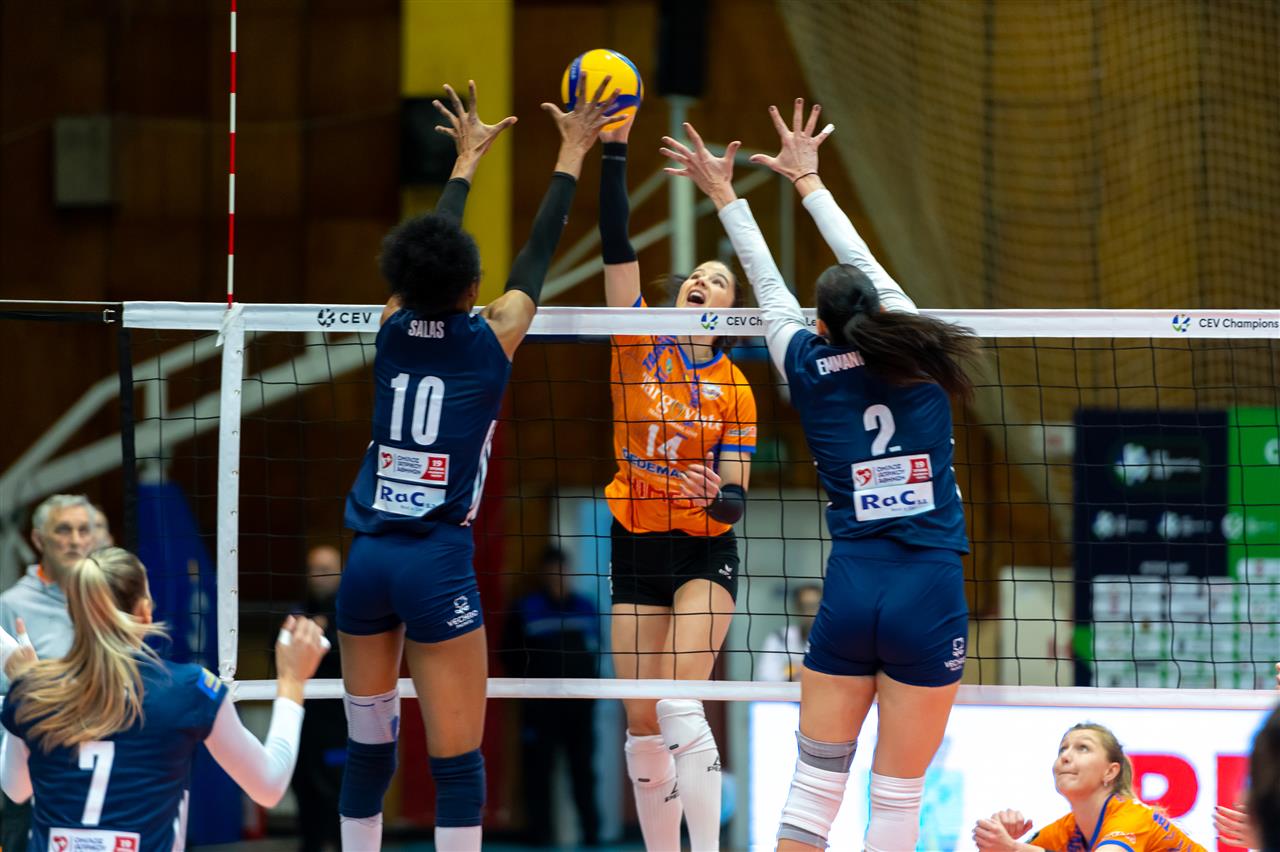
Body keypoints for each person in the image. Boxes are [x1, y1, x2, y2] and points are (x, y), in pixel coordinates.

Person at [661, 99, 979, 851]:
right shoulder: (921, 349)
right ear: (877, 309)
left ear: (822, 325)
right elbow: (861, 260)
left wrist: (724, 193)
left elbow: (767, 283)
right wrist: (809, 181)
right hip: (929, 587)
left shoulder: (805, 364)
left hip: (852, 587)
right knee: (896, 799)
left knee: (813, 790)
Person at [336, 77, 617, 852]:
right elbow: (538, 252)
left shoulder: (391, 326)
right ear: (471, 288)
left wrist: (463, 163)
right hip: (436, 563)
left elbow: (424, 264)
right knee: (458, 764)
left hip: (368, 561)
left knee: (367, 753)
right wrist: (572, 150)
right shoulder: (494, 335)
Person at [595, 111, 758, 852]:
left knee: (678, 702)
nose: (701, 281)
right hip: (635, 540)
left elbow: (736, 499)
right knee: (640, 721)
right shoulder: (636, 340)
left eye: (716, 280)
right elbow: (617, 244)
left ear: (730, 313)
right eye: (696, 276)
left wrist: (715, 500)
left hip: (701, 550)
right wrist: (613, 152)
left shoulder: (736, 390)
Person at [0, 547, 327, 852]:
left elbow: (16, 789)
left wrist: (26, 684)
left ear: (73, 614)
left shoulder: (34, 690)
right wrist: (292, 681)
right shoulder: (189, 689)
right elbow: (268, 787)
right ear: (144, 611)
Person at [0, 494, 95, 852]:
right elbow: (4, 698)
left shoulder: (104, 598)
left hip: (99, 763)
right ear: (39, 539)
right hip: (35, 773)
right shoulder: (12, 605)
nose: (75, 540)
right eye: (63, 530)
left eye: (83, 530)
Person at [500, 546, 601, 847]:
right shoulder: (525, 607)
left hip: (580, 706)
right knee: (537, 770)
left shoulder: (586, 607)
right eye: (552, 571)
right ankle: (539, 836)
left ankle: (592, 835)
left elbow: (596, 650)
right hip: (539, 706)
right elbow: (508, 654)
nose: (559, 577)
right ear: (544, 574)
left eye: (563, 570)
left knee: (583, 769)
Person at [972, 723, 1205, 851]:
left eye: (1083, 748)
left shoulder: (1132, 817)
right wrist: (998, 842)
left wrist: (1013, 849)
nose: (1065, 757)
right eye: (1062, 749)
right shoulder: (1067, 829)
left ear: (1110, 771)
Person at [291, 545, 346, 852]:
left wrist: (321, 639)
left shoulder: (351, 612)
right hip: (304, 724)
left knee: (340, 795)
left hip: (341, 725)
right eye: (314, 569)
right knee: (306, 793)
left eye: (326, 569)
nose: (319, 576)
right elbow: (280, 655)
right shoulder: (297, 612)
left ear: (340, 572)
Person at [758, 583, 822, 682]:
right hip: (787, 691)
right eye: (805, 606)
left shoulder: (833, 642)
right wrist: (794, 671)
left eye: (815, 606)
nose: (810, 612)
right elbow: (765, 676)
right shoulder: (780, 637)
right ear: (797, 608)